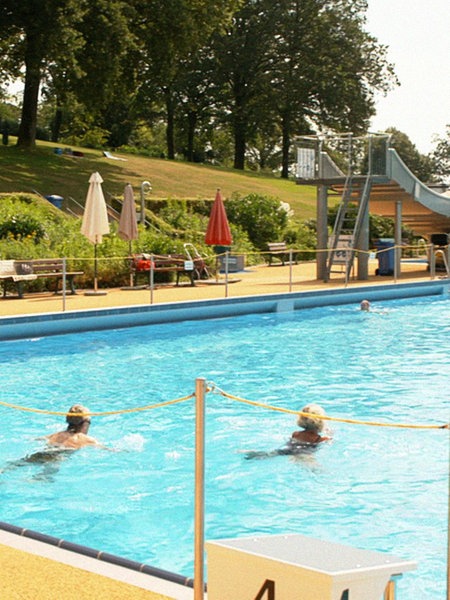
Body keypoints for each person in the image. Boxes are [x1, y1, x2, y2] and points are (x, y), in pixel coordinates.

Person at [244, 403, 332, 459]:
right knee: (315, 468)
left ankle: (250, 453)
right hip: (304, 454)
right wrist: (329, 434)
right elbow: (329, 442)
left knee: (270, 454)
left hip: (287, 450)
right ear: (321, 422)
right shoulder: (320, 439)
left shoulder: (295, 434)